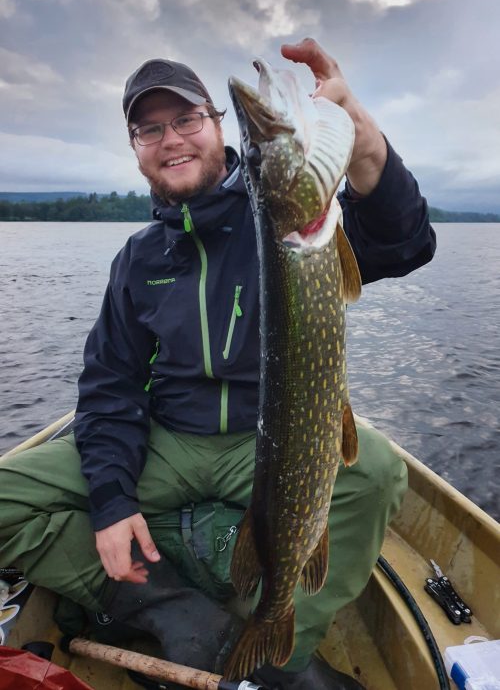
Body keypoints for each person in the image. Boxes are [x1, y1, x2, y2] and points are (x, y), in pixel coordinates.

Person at [0, 38, 436, 689]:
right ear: (135, 146)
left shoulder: (291, 226)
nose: (170, 138)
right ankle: (161, 604)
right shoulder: (138, 261)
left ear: (215, 125)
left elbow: (405, 242)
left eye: (186, 119)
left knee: (373, 474)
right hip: (167, 441)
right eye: (150, 128)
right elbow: (110, 394)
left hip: (265, 440)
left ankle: (276, 652)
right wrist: (115, 500)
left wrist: (364, 140)